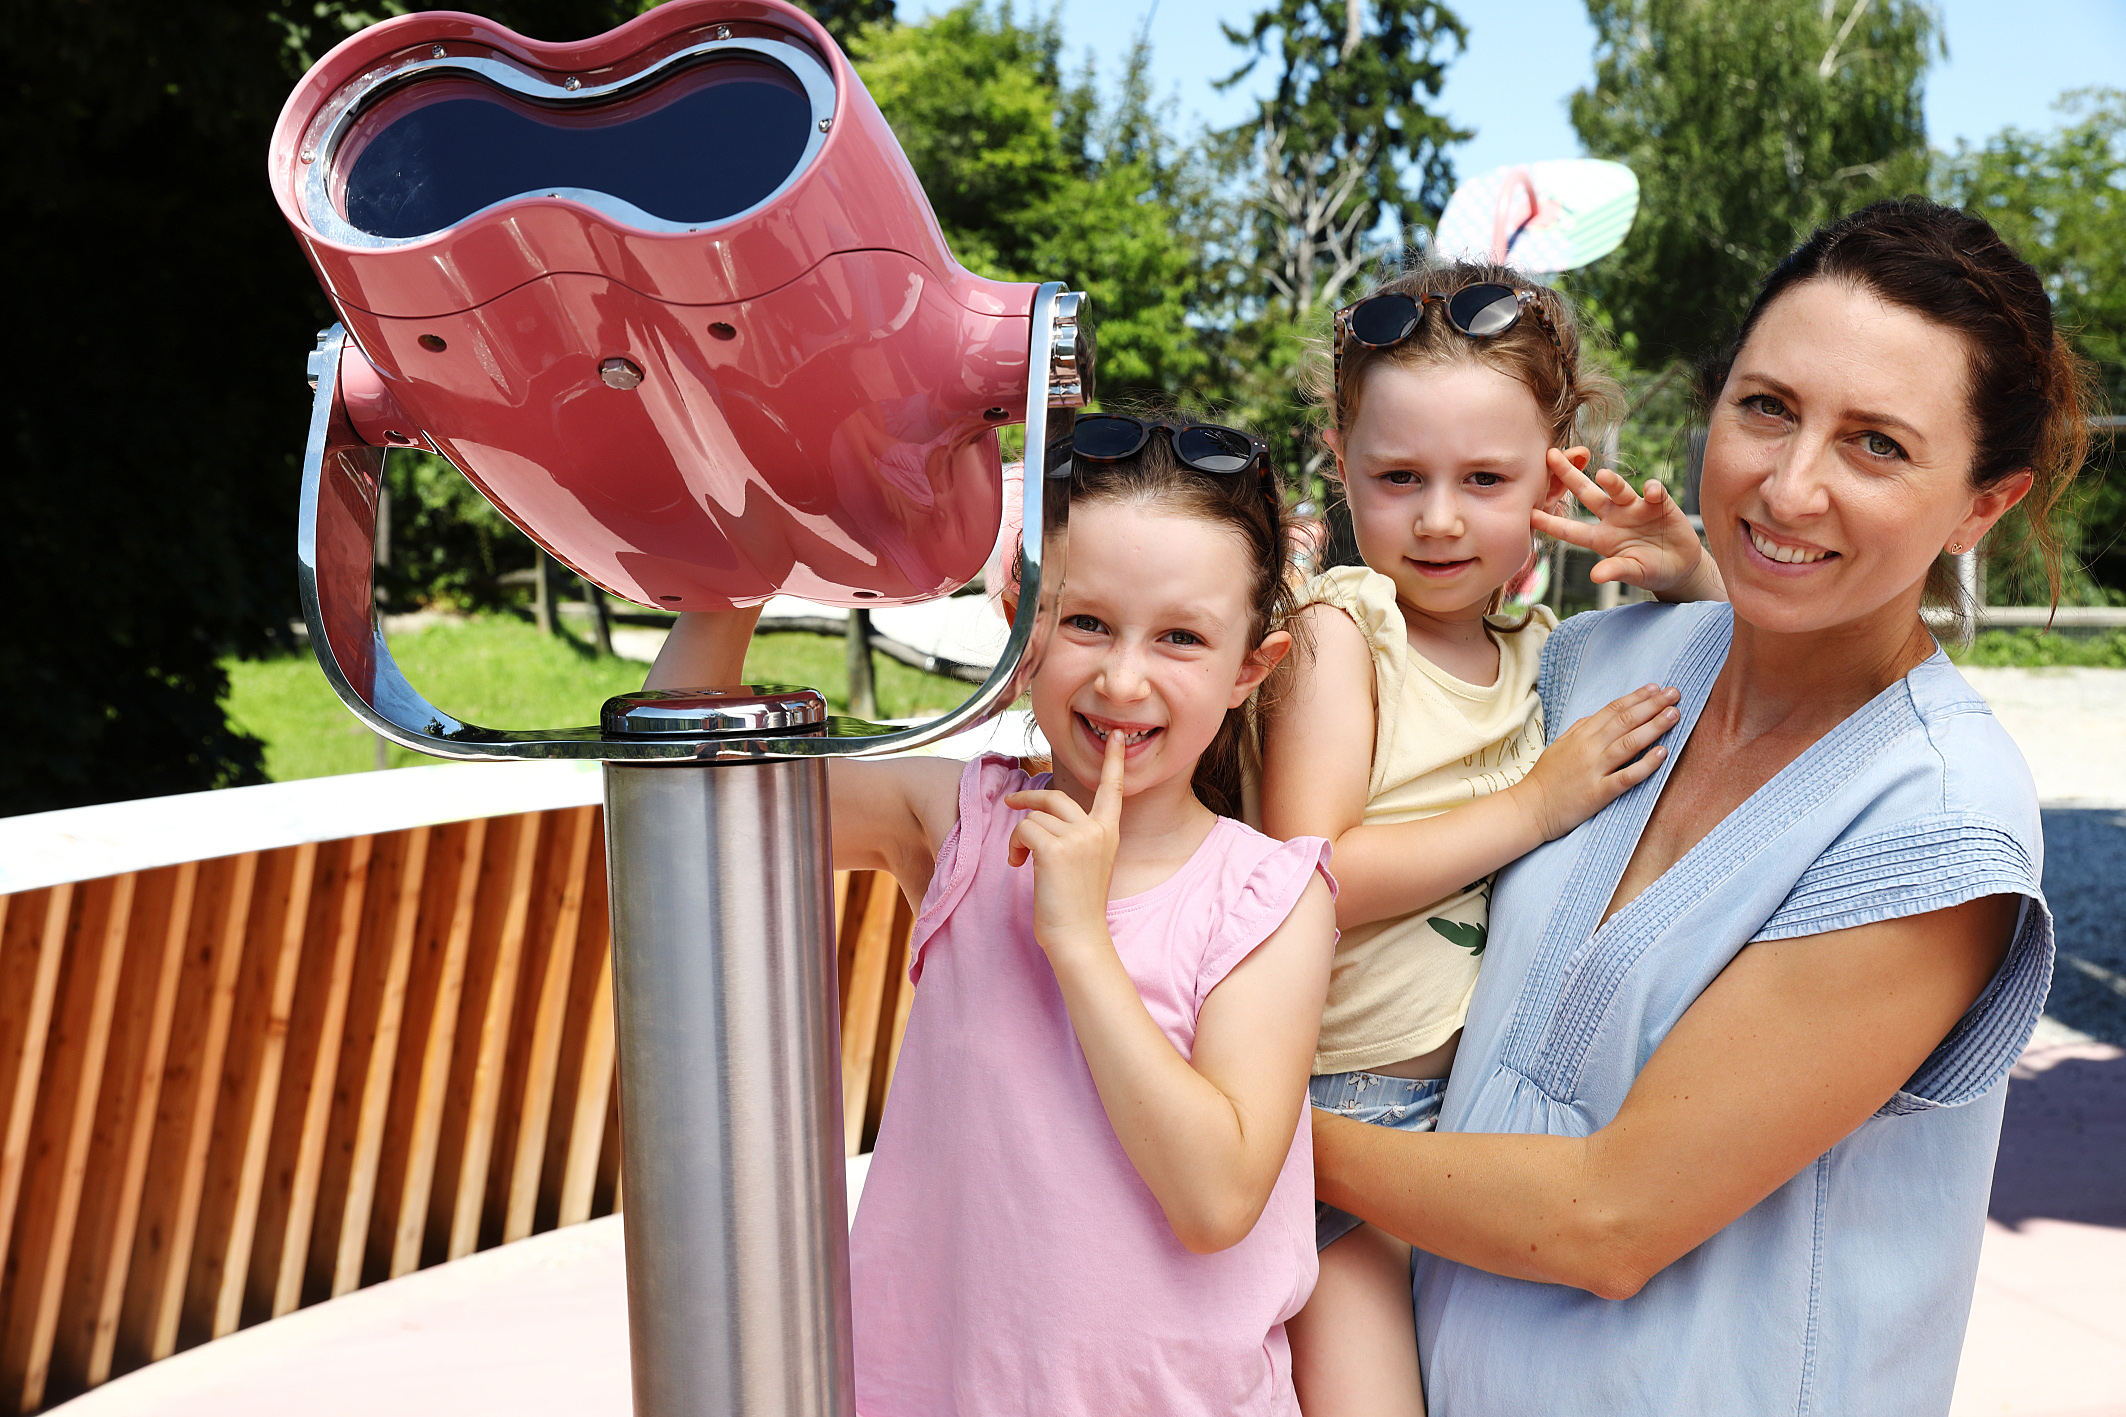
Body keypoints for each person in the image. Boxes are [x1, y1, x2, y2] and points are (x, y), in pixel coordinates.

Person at [1310, 199, 2084, 1414]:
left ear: (1980, 505)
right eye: (1766, 407)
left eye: (1876, 445)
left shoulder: (1932, 820)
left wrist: (1242, 1137)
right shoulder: (1596, 664)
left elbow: (1609, 1219)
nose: (1788, 484)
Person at [646, 413, 1338, 1416]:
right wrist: (758, 559)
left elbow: (1215, 1196)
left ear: (1248, 667)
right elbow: (684, 800)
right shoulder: (959, 820)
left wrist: (1077, 940)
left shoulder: (1267, 895)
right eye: (1086, 622)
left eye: (1180, 637)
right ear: (1020, 622)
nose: (1121, 677)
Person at [1261, 260, 1716, 1416]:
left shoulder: (1544, 644)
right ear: (1338, 455)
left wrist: (1694, 578)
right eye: (1397, 476)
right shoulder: (1340, 633)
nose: (1440, 518)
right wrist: (1532, 805)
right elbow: (1302, 883)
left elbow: (1723, 703)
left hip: (1476, 1125)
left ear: (1556, 461)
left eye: (1485, 477)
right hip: (1336, 1117)